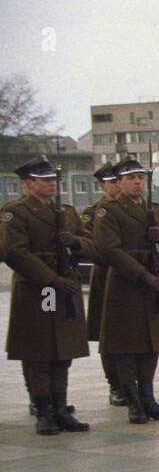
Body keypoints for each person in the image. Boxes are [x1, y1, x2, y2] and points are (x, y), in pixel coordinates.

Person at [2, 156, 97, 435]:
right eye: (44, 180)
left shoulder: (65, 213)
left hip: (63, 286)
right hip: (38, 288)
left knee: (62, 351)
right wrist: (51, 279)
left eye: (52, 179)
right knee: (40, 352)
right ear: (27, 184)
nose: (51, 184)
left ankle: (60, 408)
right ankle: (43, 410)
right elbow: (14, 252)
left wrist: (75, 243)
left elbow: (93, 245)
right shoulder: (15, 212)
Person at [94, 157, 159, 424]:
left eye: (140, 177)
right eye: (130, 178)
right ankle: (133, 402)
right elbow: (110, 250)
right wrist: (142, 275)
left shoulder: (151, 209)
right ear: (118, 183)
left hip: (151, 282)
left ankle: (148, 398)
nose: (137, 182)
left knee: (149, 344)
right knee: (127, 345)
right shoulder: (109, 211)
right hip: (126, 284)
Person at [82, 162, 125, 407]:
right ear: (102, 186)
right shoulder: (94, 211)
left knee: (129, 334)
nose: (116, 187)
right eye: (111, 183)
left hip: (127, 278)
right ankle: (115, 384)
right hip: (105, 277)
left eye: (118, 181)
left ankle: (131, 383)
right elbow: (93, 245)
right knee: (107, 335)